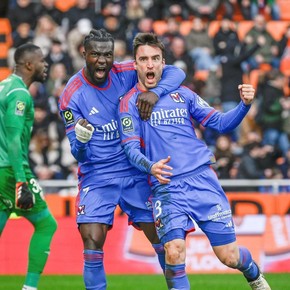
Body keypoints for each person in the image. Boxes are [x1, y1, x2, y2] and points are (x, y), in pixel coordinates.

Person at [118, 32, 271, 290]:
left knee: (229, 257)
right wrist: (150, 167)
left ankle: (253, 273)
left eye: (155, 58)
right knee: (173, 251)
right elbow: (130, 149)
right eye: (143, 59)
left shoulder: (183, 94)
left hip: (202, 180)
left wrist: (244, 105)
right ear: (135, 64)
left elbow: (220, 123)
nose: (150, 64)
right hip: (166, 187)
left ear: (163, 62)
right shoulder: (128, 103)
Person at [58, 28, 185, 290]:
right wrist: (81, 140)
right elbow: (76, 153)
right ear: (84, 54)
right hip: (98, 175)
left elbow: (176, 72)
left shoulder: (124, 72)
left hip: (134, 170)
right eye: (95, 54)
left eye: (108, 54)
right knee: (91, 240)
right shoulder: (72, 94)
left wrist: (156, 92)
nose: (102, 60)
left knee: (163, 240)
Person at [0, 43, 57, 290]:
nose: (46, 65)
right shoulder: (19, 95)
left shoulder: (3, 87)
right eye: (42, 61)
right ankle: (29, 288)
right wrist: (22, 181)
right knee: (46, 224)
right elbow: (13, 140)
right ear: (29, 64)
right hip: (11, 170)